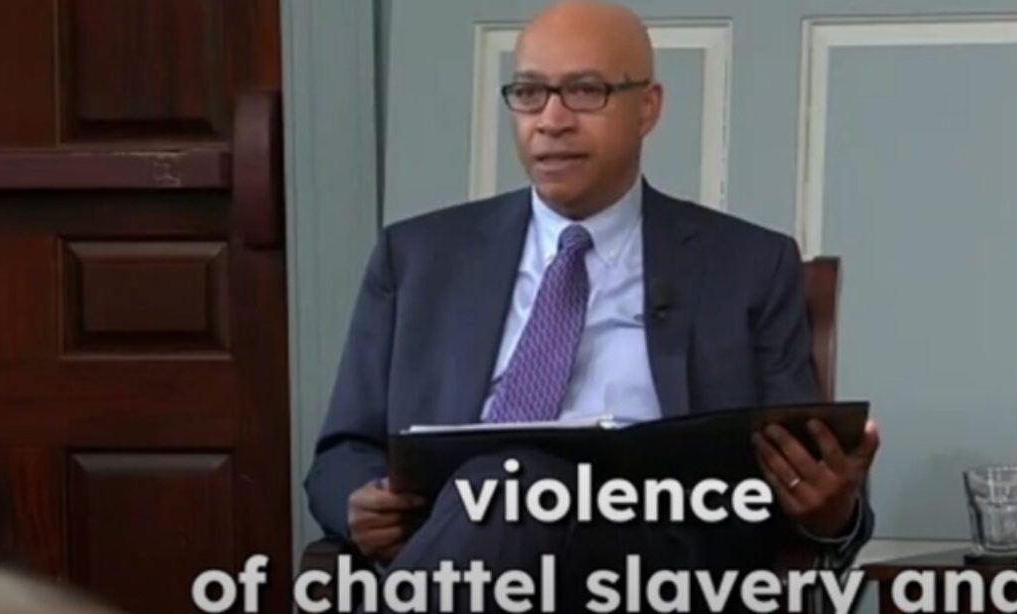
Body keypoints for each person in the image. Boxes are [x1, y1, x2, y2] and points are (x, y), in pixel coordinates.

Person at [306, 0, 880, 610]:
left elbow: (805, 460)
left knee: (511, 486)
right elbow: (342, 453)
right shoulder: (419, 257)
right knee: (504, 489)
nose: (551, 120)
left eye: (584, 91)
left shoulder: (747, 265)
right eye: (529, 93)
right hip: (465, 550)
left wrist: (831, 511)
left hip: (658, 572)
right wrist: (358, 502)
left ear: (647, 108)